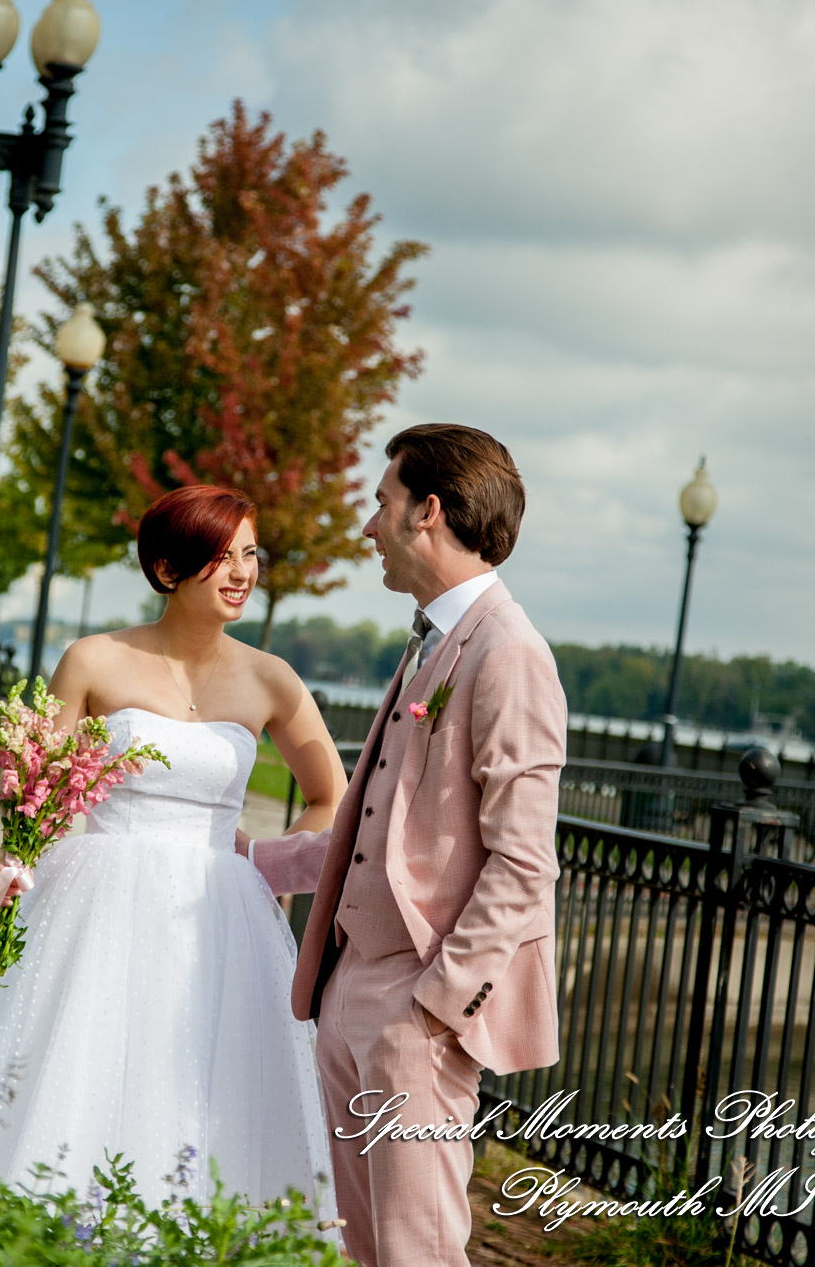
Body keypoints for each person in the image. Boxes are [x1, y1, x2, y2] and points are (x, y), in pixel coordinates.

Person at [0, 485, 346, 1226]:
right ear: (169, 569)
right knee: (74, 1064)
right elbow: (34, 788)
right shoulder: (93, 660)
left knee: (200, 1081)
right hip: (97, 896)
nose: (241, 572)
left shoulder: (272, 679)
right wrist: (19, 855)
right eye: (219, 557)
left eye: (249, 554)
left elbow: (331, 796)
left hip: (220, 913)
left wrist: (262, 863)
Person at [240, 424, 567, 1267]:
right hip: (349, 988)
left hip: (415, 1008)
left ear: (427, 512)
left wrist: (435, 1005)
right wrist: (249, 860)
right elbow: (377, 832)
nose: (367, 526)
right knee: (361, 1249)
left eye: (380, 503)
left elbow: (525, 862)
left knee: (418, 1252)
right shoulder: (430, 640)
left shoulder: (510, 652)